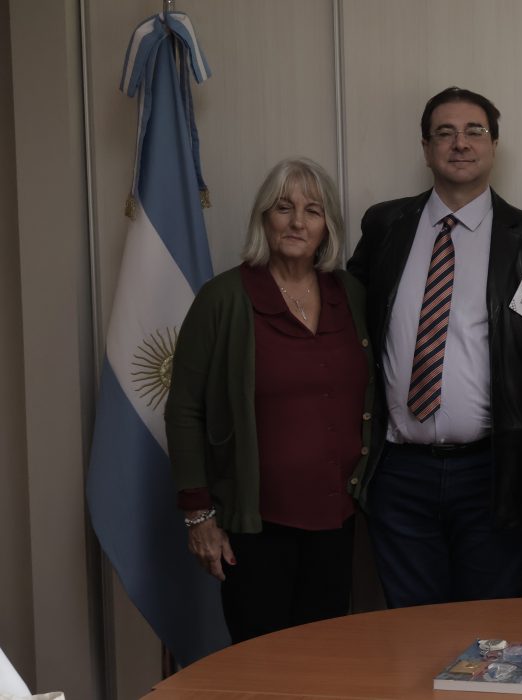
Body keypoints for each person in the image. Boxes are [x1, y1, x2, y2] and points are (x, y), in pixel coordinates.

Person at [347, 86, 522, 608]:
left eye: (474, 132)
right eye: (444, 133)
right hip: (397, 472)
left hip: (493, 471)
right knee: (411, 628)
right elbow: (349, 326)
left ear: (494, 146)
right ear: (426, 149)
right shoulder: (384, 227)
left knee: (493, 636)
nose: (460, 143)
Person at [166, 157, 373, 643]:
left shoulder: (351, 294)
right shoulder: (223, 298)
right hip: (255, 525)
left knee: (324, 661)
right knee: (260, 666)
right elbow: (185, 410)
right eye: (284, 208)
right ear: (264, 218)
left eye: (313, 210)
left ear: (328, 227)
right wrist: (199, 516)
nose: (298, 222)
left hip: (337, 518)